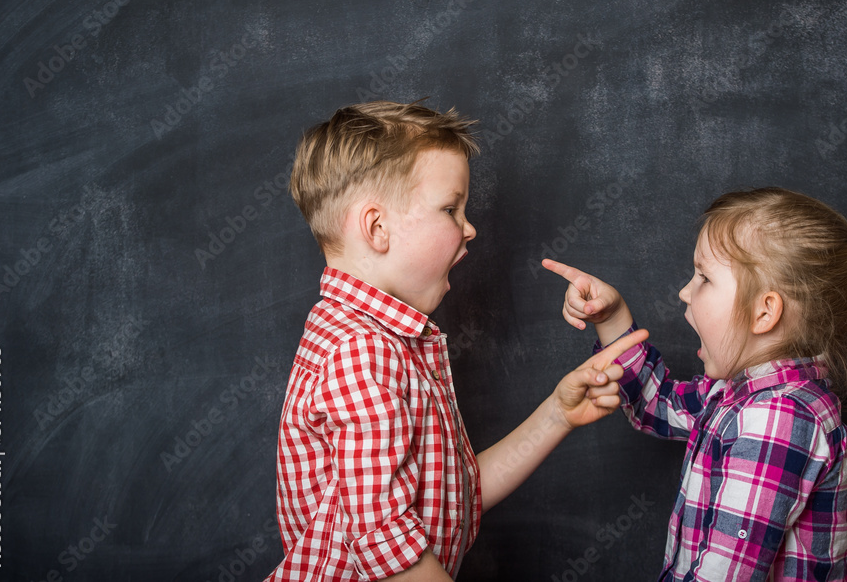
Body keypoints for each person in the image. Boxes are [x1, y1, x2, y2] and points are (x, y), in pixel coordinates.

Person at [265, 100, 645, 581]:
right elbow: (385, 542)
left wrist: (557, 414)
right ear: (377, 228)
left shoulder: (381, 340)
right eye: (450, 209)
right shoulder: (361, 351)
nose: (470, 229)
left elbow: (453, 495)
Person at [544, 187, 847, 581]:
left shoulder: (778, 419)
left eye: (703, 277)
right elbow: (658, 404)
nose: (685, 291)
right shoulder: (741, 394)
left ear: (764, 312)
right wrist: (612, 319)